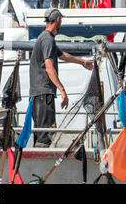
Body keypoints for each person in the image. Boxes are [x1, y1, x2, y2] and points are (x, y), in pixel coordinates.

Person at [29, 8, 94, 147]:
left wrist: (83, 62)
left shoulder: (46, 38)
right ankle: (42, 162)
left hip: (40, 93)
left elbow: (63, 55)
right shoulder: (47, 39)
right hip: (43, 92)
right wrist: (62, 90)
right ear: (58, 19)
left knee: (43, 132)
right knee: (44, 135)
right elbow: (49, 66)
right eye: (61, 20)